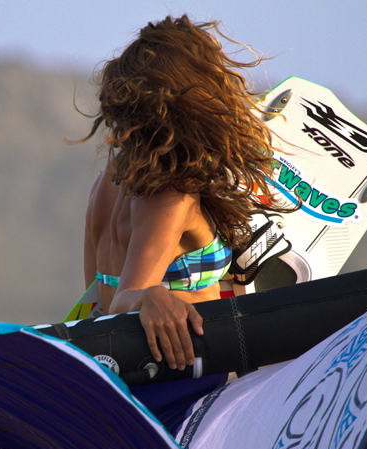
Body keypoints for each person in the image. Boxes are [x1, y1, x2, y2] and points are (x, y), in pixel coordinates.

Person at [81, 15, 293, 372]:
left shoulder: (109, 177)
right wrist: (149, 296)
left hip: (121, 372)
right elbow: (123, 299)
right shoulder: (172, 194)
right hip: (181, 373)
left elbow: (95, 301)